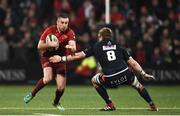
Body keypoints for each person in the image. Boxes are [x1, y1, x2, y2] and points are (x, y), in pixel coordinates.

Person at [49, 27, 159, 111]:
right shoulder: (118, 45)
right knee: (138, 86)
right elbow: (133, 63)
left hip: (111, 78)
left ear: (100, 36)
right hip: (126, 74)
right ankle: (152, 105)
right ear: (110, 36)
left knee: (94, 80)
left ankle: (109, 104)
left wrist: (62, 58)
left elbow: (78, 55)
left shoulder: (97, 46)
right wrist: (143, 73)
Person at [23, 13, 76, 111]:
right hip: (47, 57)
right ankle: (32, 94)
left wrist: (71, 47)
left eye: (66, 23)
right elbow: (39, 46)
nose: (64, 25)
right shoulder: (49, 30)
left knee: (61, 88)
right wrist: (49, 44)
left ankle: (56, 102)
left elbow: (73, 47)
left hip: (60, 59)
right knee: (47, 78)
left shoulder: (70, 32)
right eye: (62, 22)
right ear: (57, 22)